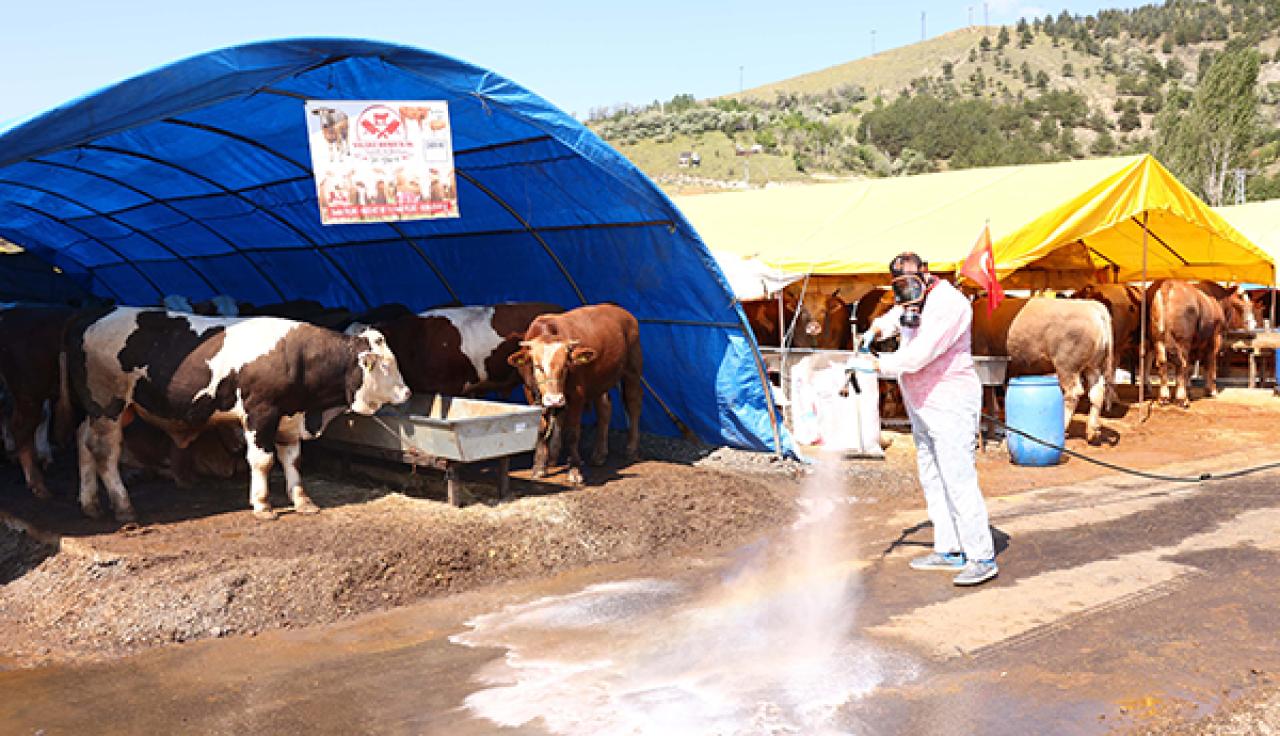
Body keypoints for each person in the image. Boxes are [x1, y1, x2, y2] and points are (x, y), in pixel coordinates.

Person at [861, 252, 997, 586]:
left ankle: (981, 555)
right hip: (920, 403)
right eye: (899, 286)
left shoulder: (949, 305)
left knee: (957, 477)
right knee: (932, 475)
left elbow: (918, 356)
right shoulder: (914, 298)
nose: (906, 293)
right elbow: (898, 315)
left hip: (949, 401)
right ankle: (948, 547)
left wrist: (877, 365)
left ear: (927, 274)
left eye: (910, 283)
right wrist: (877, 328)